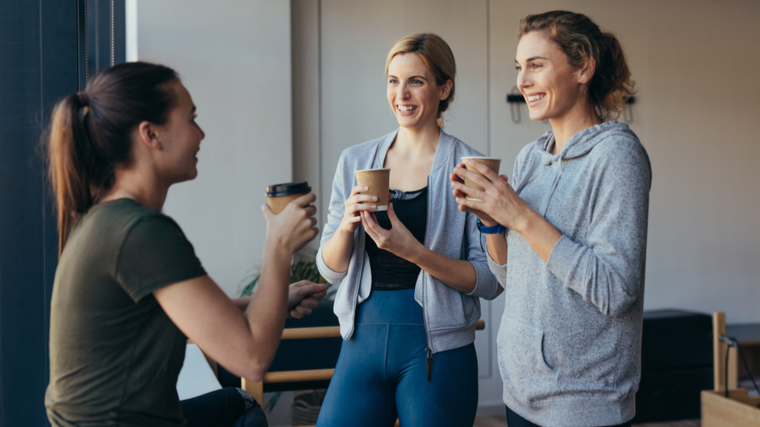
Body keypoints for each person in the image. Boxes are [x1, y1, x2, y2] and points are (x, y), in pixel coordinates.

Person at [44, 62, 324, 427]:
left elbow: (182, 313)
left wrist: (270, 300)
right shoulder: (139, 232)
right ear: (151, 135)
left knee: (237, 403)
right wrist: (279, 246)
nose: (201, 133)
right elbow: (251, 358)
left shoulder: (106, 218)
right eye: (191, 119)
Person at [451, 11, 650, 427]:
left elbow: (616, 291)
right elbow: (510, 277)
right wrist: (491, 220)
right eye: (519, 67)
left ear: (583, 68)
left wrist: (521, 216)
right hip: (522, 394)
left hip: (585, 405)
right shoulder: (530, 158)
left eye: (536, 65)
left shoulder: (617, 156)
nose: (522, 81)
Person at [315, 33, 502, 427]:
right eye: (392, 80)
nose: (401, 94)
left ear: (444, 88)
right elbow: (329, 269)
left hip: (438, 352)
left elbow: (489, 280)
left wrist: (414, 252)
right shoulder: (355, 161)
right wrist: (347, 225)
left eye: (416, 81)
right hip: (359, 344)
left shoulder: (469, 168)